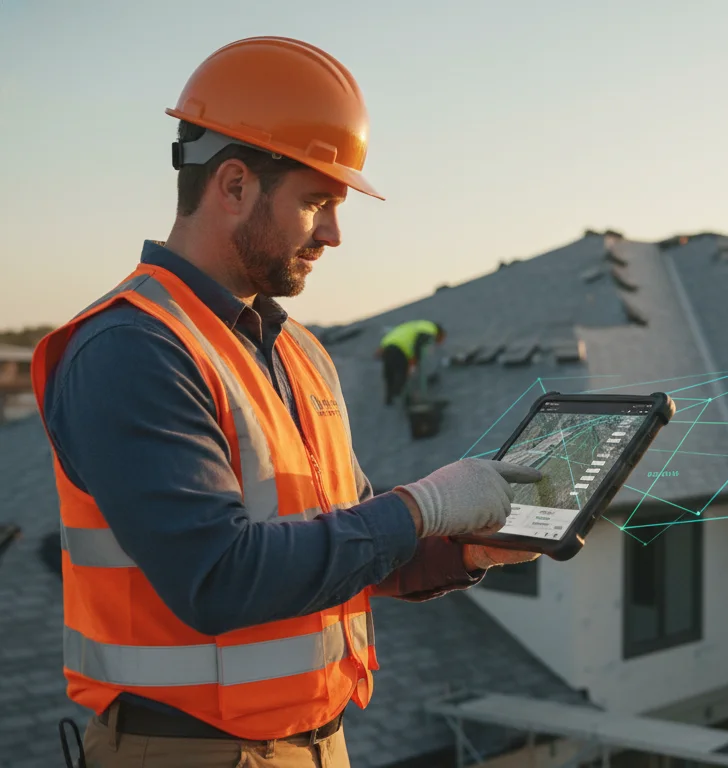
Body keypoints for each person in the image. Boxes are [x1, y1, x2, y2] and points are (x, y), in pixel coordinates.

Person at [31, 36, 540, 768]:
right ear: (234, 185)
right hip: (188, 753)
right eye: (316, 202)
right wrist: (425, 506)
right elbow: (219, 578)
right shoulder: (132, 349)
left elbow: (348, 542)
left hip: (317, 741)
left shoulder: (298, 350)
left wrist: (460, 548)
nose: (334, 233)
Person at [378, 320, 445, 405]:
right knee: (402, 373)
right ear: (440, 333)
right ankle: (403, 396)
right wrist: (414, 360)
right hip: (401, 349)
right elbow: (419, 344)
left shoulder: (417, 325)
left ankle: (389, 398)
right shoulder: (430, 330)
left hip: (387, 345)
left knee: (389, 373)